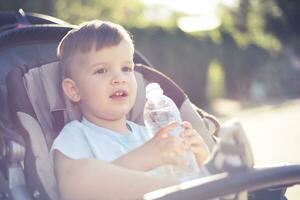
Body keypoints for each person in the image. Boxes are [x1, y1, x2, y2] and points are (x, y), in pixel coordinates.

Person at [51, 20, 253, 200]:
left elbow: (181, 170)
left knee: (190, 173)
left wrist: (199, 157)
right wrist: (146, 156)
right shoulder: (75, 135)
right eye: (101, 70)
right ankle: (208, 189)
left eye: (126, 68)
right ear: (74, 90)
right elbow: (71, 189)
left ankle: (211, 183)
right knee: (84, 174)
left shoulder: (150, 133)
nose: (119, 78)